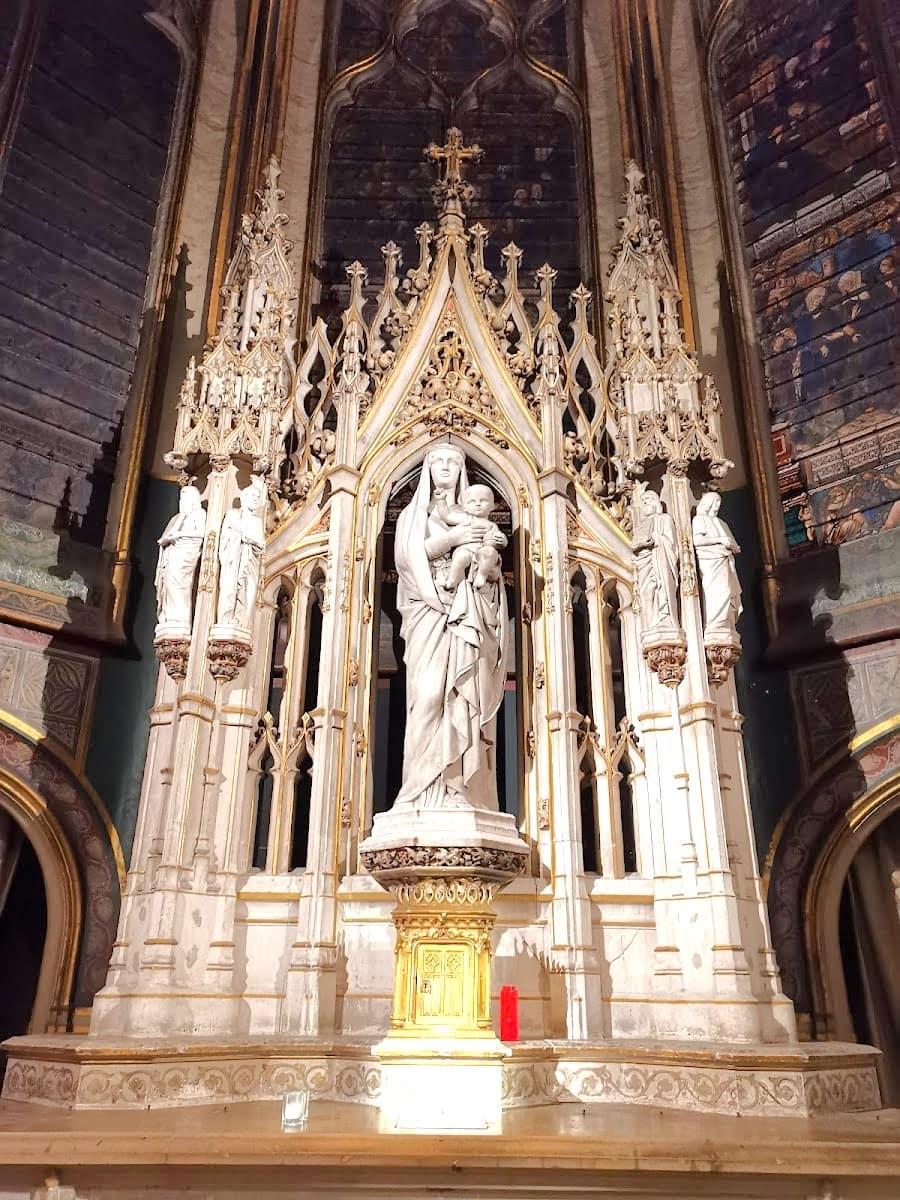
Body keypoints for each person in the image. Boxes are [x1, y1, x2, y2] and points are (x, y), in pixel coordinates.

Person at [393, 444, 508, 810]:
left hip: (465, 611)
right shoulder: (416, 514)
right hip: (427, 610)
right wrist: (457, 540)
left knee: (462, 698)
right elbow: (409, 558)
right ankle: (417, 792)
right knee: (427, 696)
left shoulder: (469, 515)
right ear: (427, 468)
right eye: (438, 461)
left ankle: (459, 788)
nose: (446, 467)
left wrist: (485, 568)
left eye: (453, 462)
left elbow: (492, 563)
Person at [435, 483, 506, 590]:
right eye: (472, 501)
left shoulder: (492, 525)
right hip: (466, 549)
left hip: (482, 551)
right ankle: (452, 579)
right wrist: (441, 500)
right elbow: (447, 516)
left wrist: (502, 540)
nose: (478, 504)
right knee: (461, 557)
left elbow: (501, 541)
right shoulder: (466, 519)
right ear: (465, 507)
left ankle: (482, 575)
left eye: (483, 501)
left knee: (490, 553)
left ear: (492, 506)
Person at [692, 491, 742, 641]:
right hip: (710, 562)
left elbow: (734, 545)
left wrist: (732, 546)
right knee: (717, 592)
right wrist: (720, 540)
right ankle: (715, 623)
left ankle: (725, 624)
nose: (717, 506)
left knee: (728, 591)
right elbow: (697, 541)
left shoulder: (722, 523)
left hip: (725, 561)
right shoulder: (699, 519)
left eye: (719, 503)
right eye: (714, 502)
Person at [216, 479, 266, 628]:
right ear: (244, 498)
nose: (256, 500)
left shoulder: (257, 522)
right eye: (253, 497)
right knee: (229, 589)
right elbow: (226, 537)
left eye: (258, 498)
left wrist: (249, 540)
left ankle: (240, 621)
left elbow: (261, 545)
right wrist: (239, 538)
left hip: (249, 562)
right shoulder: (233, 515)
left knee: (246, 592)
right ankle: (225, 619)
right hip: (233, 559)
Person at [155, 485, 205, 632]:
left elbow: (201, 533)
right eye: (182, 498)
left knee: (180, 584)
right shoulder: (177, 518)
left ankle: (180, 619)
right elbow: (164, 538)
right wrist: (167, 540)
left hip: (186, 555)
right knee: (169, 583)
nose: (183, 500)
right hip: (172, 554)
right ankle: (170, 617)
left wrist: (180, 535)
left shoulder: (199, 513)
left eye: (186, 497)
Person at [632, 486, 679, 636]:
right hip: (644, 562)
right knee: (645, 592)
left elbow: (670, 541)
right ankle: (651, 625)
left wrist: (655, 539)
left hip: (659, 558)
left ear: (656, 502)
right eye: (643, 501)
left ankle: (664, 620)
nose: (645, 503)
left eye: (648, 500)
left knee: (661, 589)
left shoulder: (664, 518)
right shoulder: (641, 525)